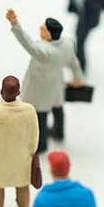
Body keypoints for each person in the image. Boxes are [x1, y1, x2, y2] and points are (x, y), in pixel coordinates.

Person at [6, 9, 84, 153]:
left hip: (41, 88)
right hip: (57, 84)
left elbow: (28, 44)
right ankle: (59, 133)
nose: (40, 29)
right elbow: (74, 62)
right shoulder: (67, 43)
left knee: (40, 115)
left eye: (42, 29)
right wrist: (78, 78)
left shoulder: (45, 52)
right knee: (57, 108)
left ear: (49, 34)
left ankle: (41, 145)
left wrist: (15, 24)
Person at [0, 76, 40, 207]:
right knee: (22, 185)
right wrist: (30, 151)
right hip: (21, 159)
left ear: (1, 91)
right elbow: (34, 138)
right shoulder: (29, 111)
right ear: (18, 92)